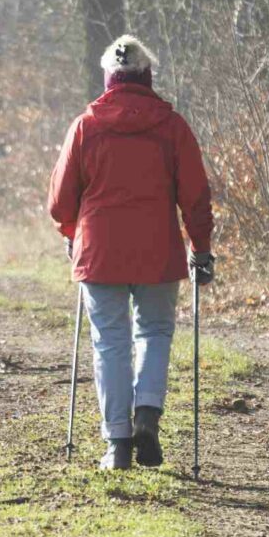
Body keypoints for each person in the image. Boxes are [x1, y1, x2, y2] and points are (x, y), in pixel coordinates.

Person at [47, 35, 215, 470]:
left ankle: (117, 445)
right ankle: (147, 415)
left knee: (110, 342)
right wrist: (201, 248)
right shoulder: (171, 126)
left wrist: (72, 233)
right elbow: (195, 197)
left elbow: (60, 201)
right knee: (155, 334)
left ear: (109, 79)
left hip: (100, 251)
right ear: (147, 76)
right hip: (158, 251)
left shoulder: (86, 125)